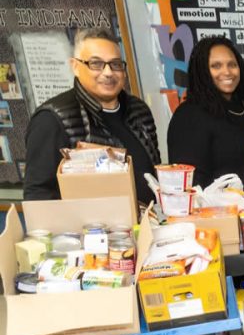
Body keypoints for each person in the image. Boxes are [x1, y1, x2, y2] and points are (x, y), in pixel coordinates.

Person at [23, 28, 159, 204]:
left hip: (150, 225)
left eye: (116, 64)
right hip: (92, 230)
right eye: (96, 64)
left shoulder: (139, 111)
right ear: (75, 66)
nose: (108, 72)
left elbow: (154, 172)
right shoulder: (52, 119)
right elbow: (38, 195)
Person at [167, 36, 244, 189]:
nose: (227, 72)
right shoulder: (189, 115)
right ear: (202, 71)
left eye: (232, 64)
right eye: (216, 66)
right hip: (216, 210)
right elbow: (190, 181)